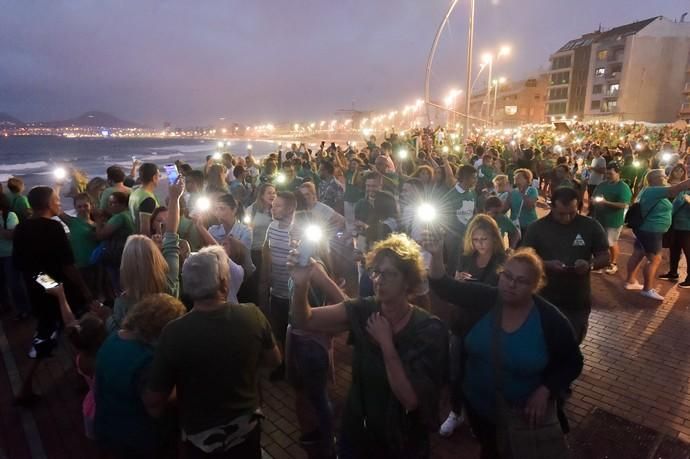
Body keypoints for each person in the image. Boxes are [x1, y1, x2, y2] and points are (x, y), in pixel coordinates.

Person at [423, 234, 583, 459]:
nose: (511, 284)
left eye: (521, 281)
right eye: (507, 276)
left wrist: (546, 389)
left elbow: (573, 361)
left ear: (535, 286)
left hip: (522, 414)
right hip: (478, 407)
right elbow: (445, 287)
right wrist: (437, 255)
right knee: (489, 448)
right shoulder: (486, 298)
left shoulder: (550, 320)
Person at [289, 233, 448, 458]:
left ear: (408, 281)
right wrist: (301, 285)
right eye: (376, 272)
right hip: (358, 435)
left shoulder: (429, 329)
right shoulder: (365, 309)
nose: (379, 280)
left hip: (401, 441)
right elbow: (303, 320)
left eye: (389, 274)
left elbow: (410, 399)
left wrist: (386, 343)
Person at [144, 251, 281, 459]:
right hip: (246, 427)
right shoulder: (252, 315)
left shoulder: (174, 332)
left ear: (188, 287)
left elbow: (155, 398)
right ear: (224, 283)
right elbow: (274, 360)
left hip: (201, 437)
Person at [12, 186, 93, 403]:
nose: (59, 203)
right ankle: (83, 377)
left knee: (44, 337)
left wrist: (45, 283)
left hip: (38, 293)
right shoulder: (54, 229)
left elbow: (22, 266)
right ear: (48, 204)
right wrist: (83, 289)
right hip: (64, 291)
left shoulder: (21, 229)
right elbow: (68, 265)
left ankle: (26, 386)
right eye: (56, 199)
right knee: (79, 332)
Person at [440, 214, 508, 438]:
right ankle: (456, 411)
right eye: (476, 239)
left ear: (494, 238)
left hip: (486, 326)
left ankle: (480, 416)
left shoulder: (502, 261)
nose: (479, 244)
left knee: (482, 373)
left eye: (484, 239)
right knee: (456, 369)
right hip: (462, 321)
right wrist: (456, 279)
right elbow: (452, 286)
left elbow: (500, 295)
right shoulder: (467, 257)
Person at [95, 294, 187, 457]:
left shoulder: (113, 339)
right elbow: (155, 408)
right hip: (140, 441)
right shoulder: (147, 361)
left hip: (107, 428)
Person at [521, 187, 609, 343]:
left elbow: (604, 256)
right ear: (552, 206)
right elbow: (523, 259)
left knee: (572, 343)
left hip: (576, 299)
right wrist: (546, 264)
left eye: (572, 213)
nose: (567, 218)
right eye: (561, 213)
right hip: (543, 297)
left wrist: (590, 264)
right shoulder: (537, 228)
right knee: (541, 342)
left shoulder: (590, 226)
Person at [106, 179, 183, 332]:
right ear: (155, 256)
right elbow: (171, 234)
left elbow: (115, 329)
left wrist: (106, 316)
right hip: (171, 344)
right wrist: (175, 198)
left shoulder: (123, 303)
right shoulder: (169, 284)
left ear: (125, 266)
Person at [45, 284, 106, 440]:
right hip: (109, 408)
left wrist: (61, 295)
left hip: (92, 409)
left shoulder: (81, 357)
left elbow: (70, 322)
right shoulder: (103, 360)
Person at [625, 170, 690, 300]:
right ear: (654, 179)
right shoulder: (654, 190)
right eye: (662, 175)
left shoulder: (649, 190)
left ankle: (630, 281)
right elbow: (676, 189)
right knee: (654, 259)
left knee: (638, 253)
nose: (666, 177)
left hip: (646, 229)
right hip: (651, 230)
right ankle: (647, 289)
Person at [260, 191, 297, 379]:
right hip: (277, 290)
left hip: (295, 293)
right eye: (273, 205)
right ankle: (283, 365)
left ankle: (296, 365)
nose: (273, 208)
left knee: (297, 330)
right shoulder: (272, 226)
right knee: (279, 330)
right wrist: (266, 279)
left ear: (291, 208)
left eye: (278, 206)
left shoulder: (299, 230)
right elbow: (267, 251)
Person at [590, 162, 632, 275]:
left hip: (613, 221)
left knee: (611, 242)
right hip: (599, 218)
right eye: (607, 173)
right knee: (599, 242)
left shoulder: (623, 187)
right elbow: (594, 196)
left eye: (611, 173)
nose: (608, 176)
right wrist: (593, 201)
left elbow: (624, 205)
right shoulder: (602, 185)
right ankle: (600, 263)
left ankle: (613, 263)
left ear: (618, 173)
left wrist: (606, 202)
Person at [96, 191, 135, 293]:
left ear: (122, 204)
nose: (110, 206)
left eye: (113, 203)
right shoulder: (130, 214)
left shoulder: (119, 217)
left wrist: (98, 222)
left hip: (117, 256)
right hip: (128, 254)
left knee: (118, 286)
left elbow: (101, 235)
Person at [0, 187, 30, 319]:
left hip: (9, 255)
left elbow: (12, 235)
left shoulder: (10, 216)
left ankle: (23, 309)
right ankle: (5, 306)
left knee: (14, 284)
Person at [443, 165, 478, 276]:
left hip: (469, 237)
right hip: (454, 238)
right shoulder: (451, 195)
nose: (475, 180)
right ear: (465, 178)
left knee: (467, 267)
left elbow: (473, 213)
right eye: (473, 177)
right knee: (454, 267)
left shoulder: (472, 193)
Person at [128, 162, 160, 229]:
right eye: (159, 176)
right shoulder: (148, 199)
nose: (159, 178)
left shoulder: (135, 191)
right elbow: (145, 230)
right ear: (154, 178)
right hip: (144, 238)